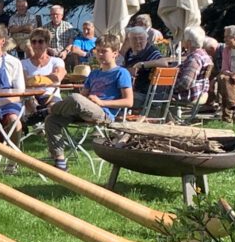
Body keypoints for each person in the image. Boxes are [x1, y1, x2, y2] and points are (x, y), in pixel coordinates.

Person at [44, 35, 133, 171]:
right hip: (83, 109)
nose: (100, 55)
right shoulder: (94, 74)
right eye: (98, 51)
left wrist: (102, 102)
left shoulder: (121, 73)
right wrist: (81, 101)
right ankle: (60, 161)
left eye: (104, 51)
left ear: (115, 53)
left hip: (104, 113)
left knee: (74, 98)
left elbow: (129, 102)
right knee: (52, 120)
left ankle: (46, 110)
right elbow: (83, 96)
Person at [21, 28, 67, 119]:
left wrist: (35, 80)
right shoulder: (23, 63)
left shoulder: (57, 61)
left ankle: (38, 118)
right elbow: (24, 82)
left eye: (40, 41)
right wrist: (48, 80)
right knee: (29, 100)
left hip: (51, 96)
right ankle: (38, 119)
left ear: (47, 44)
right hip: (31, 97)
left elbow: (57, 77)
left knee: (53, 106)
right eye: (34, 42)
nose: (37, 45)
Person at [122, 27, 167, 109]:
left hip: (144, 94)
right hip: (132, 89)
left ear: (146, 39)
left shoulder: (150, 51)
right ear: (129, 40)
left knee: (116, 93)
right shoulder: (129, 53)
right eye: (135, 39)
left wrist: (142, 64)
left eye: (141, 38)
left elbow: (164, 63)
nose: (138, 42)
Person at [172, 26, 213, 105]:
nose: (182, 40)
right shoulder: (204, 54)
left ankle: (164, 117)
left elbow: (185, 83)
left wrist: (170, 87)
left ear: (189, 43)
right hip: (200, 93)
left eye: (184, 38)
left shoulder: (194, 58)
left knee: (157, 94)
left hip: (190, 95)